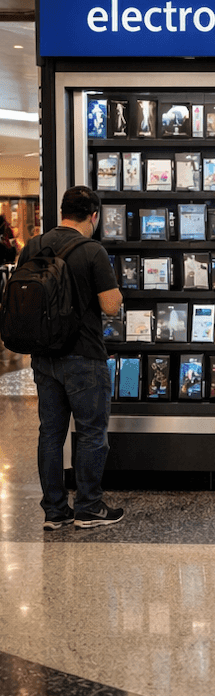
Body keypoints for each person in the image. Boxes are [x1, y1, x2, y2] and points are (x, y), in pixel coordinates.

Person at [20, 186, 124, 530]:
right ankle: (89, 507)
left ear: (62, 211)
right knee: (92, 433)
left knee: (50, 432)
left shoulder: (33, 246)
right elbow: (110, 305)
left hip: (43, 355)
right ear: (93, 216)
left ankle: (54, 511)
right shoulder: (92, 251)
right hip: (84, 356)